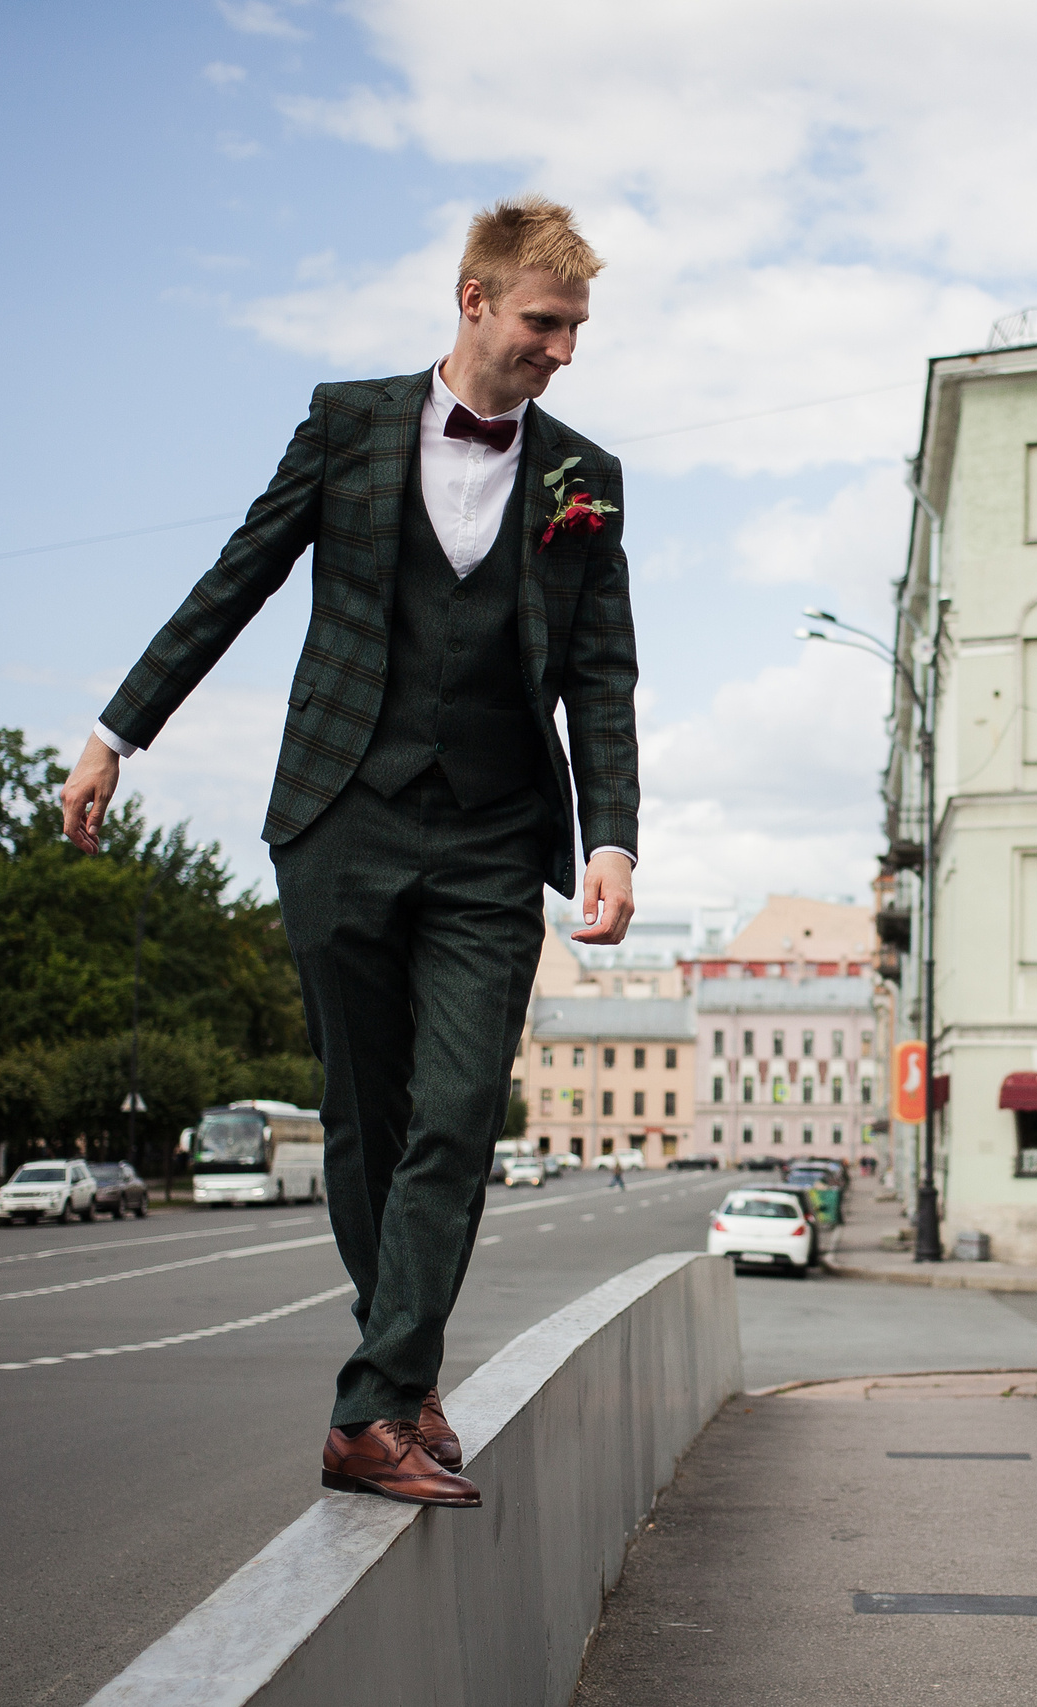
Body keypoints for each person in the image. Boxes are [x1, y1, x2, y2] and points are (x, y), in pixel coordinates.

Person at [59, 197, 639, 1509]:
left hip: (496, 836)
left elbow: (601, 674)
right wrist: (114, 735)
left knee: (455, 1110)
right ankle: (405, 1370)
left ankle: (369, 1406)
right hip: (341, 811)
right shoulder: (347, 424)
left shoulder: (582, 478)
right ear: (474, 299)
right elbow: (235, 579)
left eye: (579, 329)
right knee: (364, 1117)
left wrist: (610, 837)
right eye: (546, 323)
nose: (563, 351)